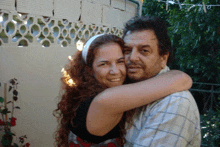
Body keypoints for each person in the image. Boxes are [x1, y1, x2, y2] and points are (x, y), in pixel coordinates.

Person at [53, 34, 193, 147]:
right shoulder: (105, 101)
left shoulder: (85, 93)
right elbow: (182, 79)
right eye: (104, 64)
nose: (115, 71)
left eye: (120, 61)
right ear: (89, 70)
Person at [121, 16, 201, 147]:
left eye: (144, 50)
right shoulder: (127, 89)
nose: (132, 58)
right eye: (127, 50)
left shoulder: (175, 102)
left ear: (163, 58)